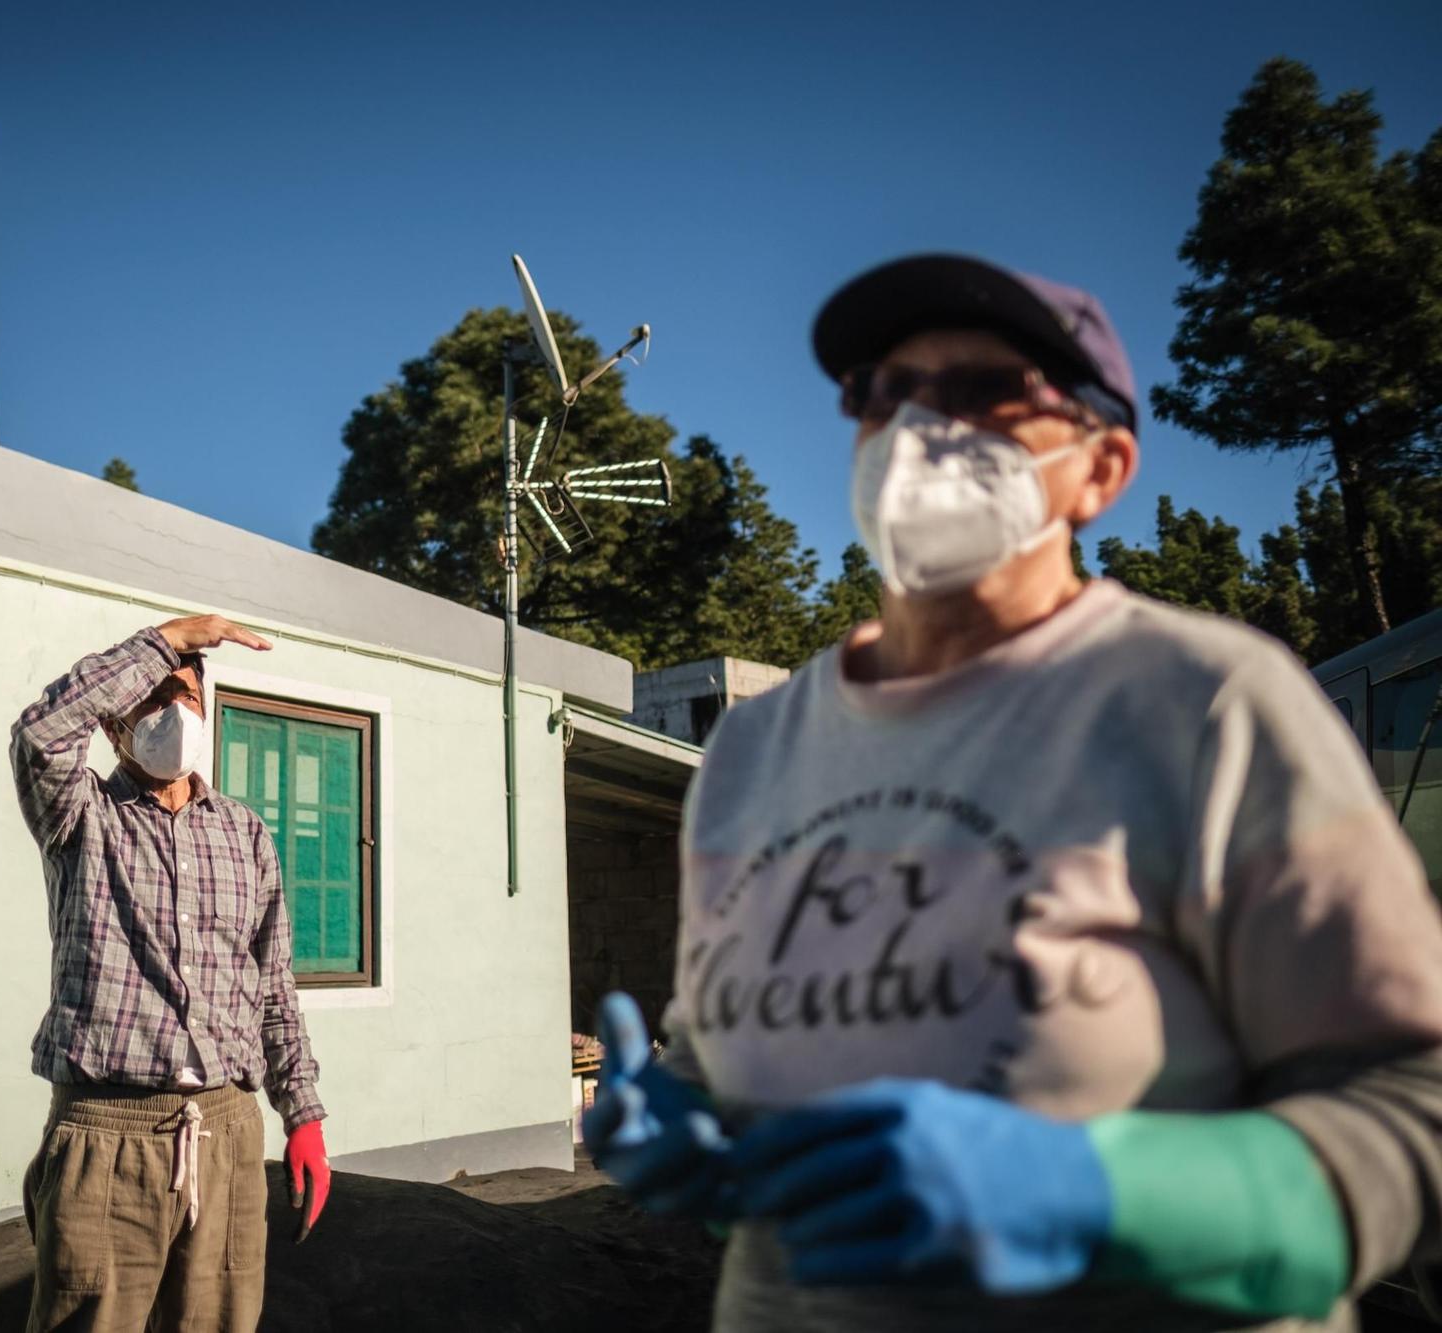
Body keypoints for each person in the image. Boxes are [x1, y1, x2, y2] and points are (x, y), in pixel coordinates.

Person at [584, 254, 1442, 1332]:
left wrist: (1093, 1193)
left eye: (984, 392)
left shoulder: (1204, 703)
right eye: (881, 391)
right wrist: (678, 1116)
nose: (914, 430)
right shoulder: (751, 751)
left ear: (1100, 469)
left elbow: (1415, 1115)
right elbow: (721, 1067)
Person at [9, 614, 331, 1333]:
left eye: (186, 695)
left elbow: (273, 986)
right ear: (115, 724)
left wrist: (301, 1113)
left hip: (228, 1132)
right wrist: (167, 640)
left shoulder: (245, 833)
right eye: (151, 699)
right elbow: (39, 734)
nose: (174, 713)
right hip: (106, 1136)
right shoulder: (80, 816)